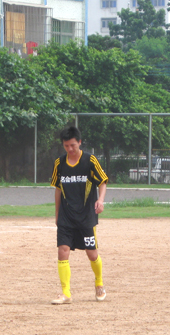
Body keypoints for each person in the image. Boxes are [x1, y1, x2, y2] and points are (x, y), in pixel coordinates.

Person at [50, 126, 108, 304]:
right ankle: (65, 293)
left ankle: (99, 283)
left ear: (80, 142)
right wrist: (57, 214)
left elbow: (103, 182)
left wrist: (100, 200)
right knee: (63, 251)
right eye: (66, 146)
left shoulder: (90, 160)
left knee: (92, 254)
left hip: (86, 216)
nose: (70, 149)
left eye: (73, 145)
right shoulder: (60, 163)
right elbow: (58, 189)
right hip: (66, 216)